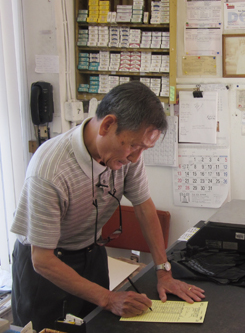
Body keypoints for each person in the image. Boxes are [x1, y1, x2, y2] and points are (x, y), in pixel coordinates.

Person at [10, 81, 205, 331]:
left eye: (144, 149)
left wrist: (163, 271)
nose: (135, 157)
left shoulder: (129, 157)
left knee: (97, 326)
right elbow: (42, 260)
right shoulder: (50, 170)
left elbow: (144, 208)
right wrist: (108, 297)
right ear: (107, 125)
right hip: (46, 268)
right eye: (134, 145)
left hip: (91, 253)